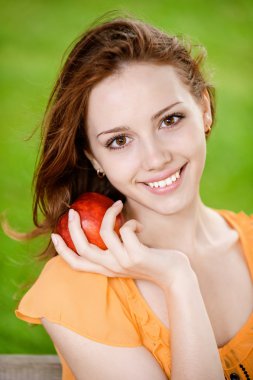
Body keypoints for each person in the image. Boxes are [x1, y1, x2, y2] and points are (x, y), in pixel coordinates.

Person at [14, 14, 253, 380]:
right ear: (94, 157)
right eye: (120, 140)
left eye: (169, 120)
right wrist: (178, 279)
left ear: (203, 109)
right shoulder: (77, 289)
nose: (156, 158)